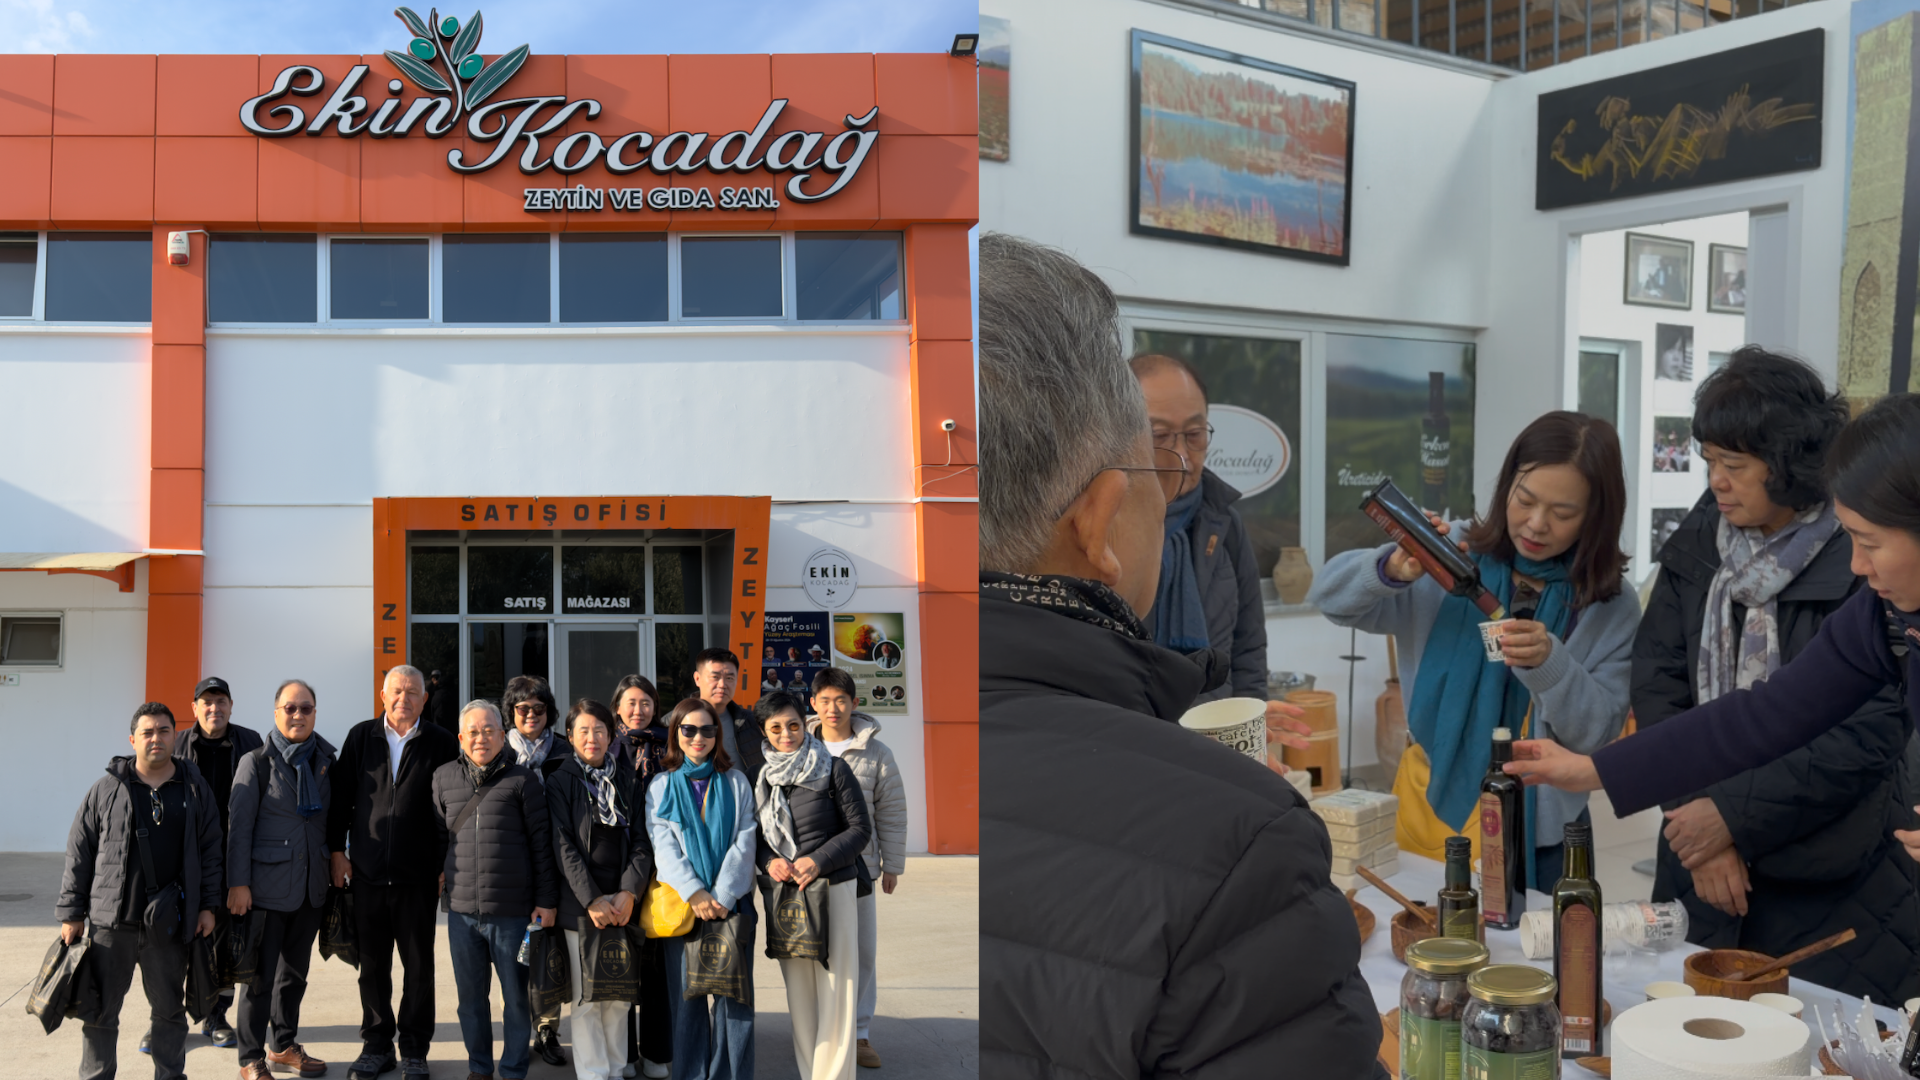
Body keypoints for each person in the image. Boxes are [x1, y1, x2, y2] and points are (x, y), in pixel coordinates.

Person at [977, 232, 1381, 1079]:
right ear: (1099, 520)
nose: (1182, 464)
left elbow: (1248, 648)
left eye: (1194, 437)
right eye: (1155, 451)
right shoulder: (1241, 855)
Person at [1507, 398, 1920, 914]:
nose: (1859, 564)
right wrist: (1597, 770)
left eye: (1870, 542)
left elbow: (1861, 737)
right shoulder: (1881, 617)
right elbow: (1764, 715)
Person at [1630, 349, 1915, 1000]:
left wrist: (1731, 816)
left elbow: (1868, 728)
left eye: (1735, 465)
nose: (1717, 483)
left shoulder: (1867, 552)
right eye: (1708, 462)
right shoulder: (1705, 536)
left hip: (1832, 869)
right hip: (1697, 861)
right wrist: (1699, 829)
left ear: (1788, 463)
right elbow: (1660, 680)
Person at [1308, 411, 1636, 888]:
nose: (1537, 524)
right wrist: (1392, 570)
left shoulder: (1609, 603)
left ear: (1596, 517)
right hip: (1432, 806)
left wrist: (1551, 664)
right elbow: (1330, 598)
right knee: (1423, 940)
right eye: (1524, 501)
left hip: (1542, 831)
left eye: (1564, 514)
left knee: (1530, 953)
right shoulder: (1452, 554)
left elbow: (1596, 733)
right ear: (1506, 488)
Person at [58, 702, 222, 1080]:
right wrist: (71, 913)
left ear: (174, 737)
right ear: (133, 740)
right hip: (110, 924)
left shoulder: (195, 788)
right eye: (147, 732)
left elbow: (213, 849)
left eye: (164, 731)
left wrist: (208, 906)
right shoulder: (106, 789)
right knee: (99, 1012)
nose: (156, 739)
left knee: (168, 1011)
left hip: (169, 924)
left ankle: (170, 1075)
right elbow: (79, 851)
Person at [328, 665, 461, 1080]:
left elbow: (451, 810)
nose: (404, 698)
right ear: (382, 696)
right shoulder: (360, 737)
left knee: (419, 967)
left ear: (425, 698)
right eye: (396, 691)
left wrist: (443, 864)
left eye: (413, 692)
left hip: (418, 877)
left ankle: (415, 1049)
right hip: (366, 874)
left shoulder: (440, 741)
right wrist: (336, 851)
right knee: (372, 966)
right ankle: (377, 1045)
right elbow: (341, 799)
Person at [1129, 353, 1269, 702]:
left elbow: (1249, 645)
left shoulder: (1223, 522)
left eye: (1194, 434)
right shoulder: (1101, 525)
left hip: (1215, 730)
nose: (1183, 455)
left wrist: (1252, 725)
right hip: (1131, 737)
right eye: (1159, 435)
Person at [433, 700, 560, 1080]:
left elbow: (542, 844)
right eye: (472, 731)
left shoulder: (522, 781)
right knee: (470, 1002)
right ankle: (479, 1068)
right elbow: (437, 839)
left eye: (489, 730)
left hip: (512, 913)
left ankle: (513, 1068)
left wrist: (546, 901)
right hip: (461, 913)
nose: (481, 738)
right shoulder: (442, 778)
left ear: (502, 736)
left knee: (516, 1000)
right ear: (460, 738)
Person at [754, 692, 870, 1080]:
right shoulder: (764, 777)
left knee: (838, 989)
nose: (786, 734)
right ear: (764, 732)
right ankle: (811, 1072)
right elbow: (756, 839)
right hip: (787, 896)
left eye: (793, 725)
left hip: (833, 888)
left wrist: (818, 860)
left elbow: (860, 830)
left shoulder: (834, 768)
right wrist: (770, 862)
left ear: (805, 725)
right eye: (776, 728)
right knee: (800, 994)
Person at [226, 679, 335, 1080]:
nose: (298, 715)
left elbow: (332, 821)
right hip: (265, 889)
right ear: (276, 713)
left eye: (306, 709)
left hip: (310, 887)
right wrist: (238, 884)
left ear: (314, 714)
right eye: (290, 708)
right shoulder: (255, 762)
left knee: (294, 976)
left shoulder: (325, 759)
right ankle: (249, 1057)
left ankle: (283, 1045)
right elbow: (238, 829)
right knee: (258, 978)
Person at [646, 699, 758, 1080]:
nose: (698, 737)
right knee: (687, 1003)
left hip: (733, 905)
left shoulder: (736, 781)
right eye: (688, 729)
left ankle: (730, 1074)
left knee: (734, 1002)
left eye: (707, 730)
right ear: (676, 732)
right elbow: (664, 847)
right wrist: (696, 893)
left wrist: (723, 895)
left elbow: (746, 841)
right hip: (685, 908)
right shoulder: (661, 786)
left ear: (718, 734)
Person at [547, 698, 655, 1080]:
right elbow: (562, 846)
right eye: (583, 731)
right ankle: (594, 1073)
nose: (592, 738)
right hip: (583, 906)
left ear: (612, 736)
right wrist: (592, 898)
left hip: (623, 903)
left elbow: (643, 841)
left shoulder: (627, 779)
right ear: (570, 736)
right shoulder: (560, 780)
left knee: (620, 997)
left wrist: (628, 892)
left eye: (600, 730)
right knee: (588, 998)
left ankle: (616, 1068)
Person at [806, 668, 906, 1070]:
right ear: (813, 703)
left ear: (854, 703)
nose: (833, 709)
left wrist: (893, 864)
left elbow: (892, 810)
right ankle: (821, 1028)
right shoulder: (798, 745)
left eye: (841, 700)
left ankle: (860, 1033)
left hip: (860, 869)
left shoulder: (876, 752)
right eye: (825, 701)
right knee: (814, 951)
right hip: (808, 871)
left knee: (861, 951)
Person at [166, 675, 262, 1052]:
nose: (214, 708)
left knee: (225, 942)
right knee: (173, 940)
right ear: (194, 709)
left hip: (232, 858)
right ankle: (168, 1017)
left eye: (220, 701)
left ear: (231, 706)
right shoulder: (176, 744)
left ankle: (216, 1015)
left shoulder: (251, 741)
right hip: (184, 858)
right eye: (206, 702)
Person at [503, 674, 568, 1067]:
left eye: (538, 709)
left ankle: (548, 1029)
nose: (531, 715)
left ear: (549, 712)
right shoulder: (499, 751)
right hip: (512, 866)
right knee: (514, 956)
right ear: (511, 712)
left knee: (548, 953)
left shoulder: (564, 750)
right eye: (523, 708)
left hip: (555, 865)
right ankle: (516, 1028)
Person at [612, 674, 673, 1080]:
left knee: (656, 968)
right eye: (631, 703)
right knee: (617, 967)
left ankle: (656, 1051)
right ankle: (622, 1053)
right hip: (616, 873)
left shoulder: (672, 744)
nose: (639, 710)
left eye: (646, 702)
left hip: (663, 873)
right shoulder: (605, 745)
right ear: (617, 707)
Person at [691, 648, 764, 780]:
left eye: (729, 678)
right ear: (697, 679)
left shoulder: (752, 722)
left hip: (744, 798)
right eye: (715, 677)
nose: (722, 684)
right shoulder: (675, 721)